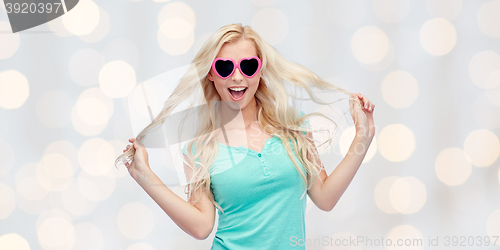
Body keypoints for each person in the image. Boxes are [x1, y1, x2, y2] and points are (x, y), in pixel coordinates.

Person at [115, 23, 375, 249]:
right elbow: (202, 227)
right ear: (211, 73)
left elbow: (325, 198)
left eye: (248, 66)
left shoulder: (293, 126)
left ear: (260, 71)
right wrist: (145, 177)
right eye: (225, 67)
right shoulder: (200, 149)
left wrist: (363, 135)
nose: (238, 76)